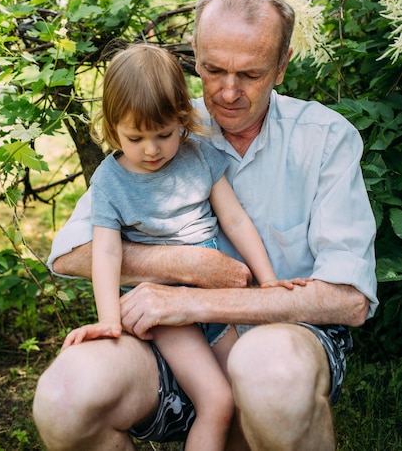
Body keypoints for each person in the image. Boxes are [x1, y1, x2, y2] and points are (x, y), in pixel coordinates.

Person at [33, 0, 378, 451]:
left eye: (251, 75)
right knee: (64, 398)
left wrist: (193, 301)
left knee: (266, 366)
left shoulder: (324, 139)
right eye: (213, 70)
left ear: (282, 67)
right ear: (194, 54)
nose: (229, 93)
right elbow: (69, 254)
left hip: (289, 340)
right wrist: (183, 266)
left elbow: (349, 299)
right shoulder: (162, 127)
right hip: (178, 344)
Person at [61, 43, 301, 451]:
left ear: (182, 120)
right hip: (165, 308)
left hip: (213, 301)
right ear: (111, 127)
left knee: (246, 397)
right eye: (135, 137)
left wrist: (270, 280)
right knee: (217, 401)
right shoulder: (110, 181)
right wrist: (108, 319)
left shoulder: (197, 155)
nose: (151, 150)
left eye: (164, 134)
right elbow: (106, 253)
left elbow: (235, 219)